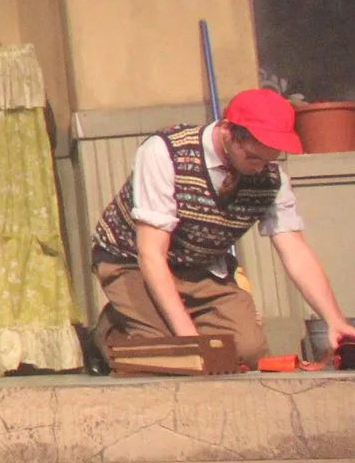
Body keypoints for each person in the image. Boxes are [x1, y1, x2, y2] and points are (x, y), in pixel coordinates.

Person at [91, 87, 355, 364]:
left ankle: (166, 323)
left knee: (245, 352)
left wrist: (334, 320)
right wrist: (190, 342)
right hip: (131, 261)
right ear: (227, 132)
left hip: (200, 267)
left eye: (269, 159)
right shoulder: (165, 152)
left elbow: (296, 253)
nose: (260, 168)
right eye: (252, 158)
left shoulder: (271, 178)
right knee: (170, 358)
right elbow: (151, 254)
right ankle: (108, 331)